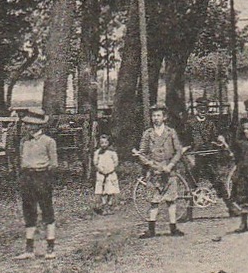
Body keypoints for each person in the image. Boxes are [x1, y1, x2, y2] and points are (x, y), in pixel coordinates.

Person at [134, 104, 187, 237]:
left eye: (158, 115)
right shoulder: (147, 134)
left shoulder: (171, 132)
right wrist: (149, 164)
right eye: (153, 116)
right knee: (154, 201)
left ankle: (173, 228)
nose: (156, 118)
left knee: (171, 200)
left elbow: (178, 151)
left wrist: (171, 165)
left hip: (169, 171)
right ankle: (151, 229)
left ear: (165, 117)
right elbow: (142, 153)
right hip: (154, 172)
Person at [17, 109, 59, 258]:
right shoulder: (24, 141)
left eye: (31, 124)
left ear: (39, 125)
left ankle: (50, 248)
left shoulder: (49, 141)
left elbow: (54, 164)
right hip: (27, 177)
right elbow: (22, 160)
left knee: (47, 211)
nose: (28, 127)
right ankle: (29, 250)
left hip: (42, 176)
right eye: (27, 124)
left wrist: (45, 176)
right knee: (29, 211)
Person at [184, 98, 234, 215]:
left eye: (205, 109)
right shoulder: (190, 123)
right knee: (190, 183)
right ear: (196, 110)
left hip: (208, 156)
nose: (203, 111)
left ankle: (231, 208)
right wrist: (188, 153)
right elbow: (186, 140)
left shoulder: (210, 123)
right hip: (195, 157)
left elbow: (215, 137)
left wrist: (219, 141)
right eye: (200, 109)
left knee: (217, 181)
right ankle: (188, 213)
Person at [92, 132, 121, 214]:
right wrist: (100, 170)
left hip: (110, 174)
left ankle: (110, 205)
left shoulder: (112, 152)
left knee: (110, 190)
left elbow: (116, 162)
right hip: (101, 174)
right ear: (99, 143)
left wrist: (111, 170)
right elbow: (95, 162)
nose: (103, 144)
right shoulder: (97, 152)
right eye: (102, 143)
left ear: (108, 143)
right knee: (103, 191)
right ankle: (104, 206)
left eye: (105, 142)